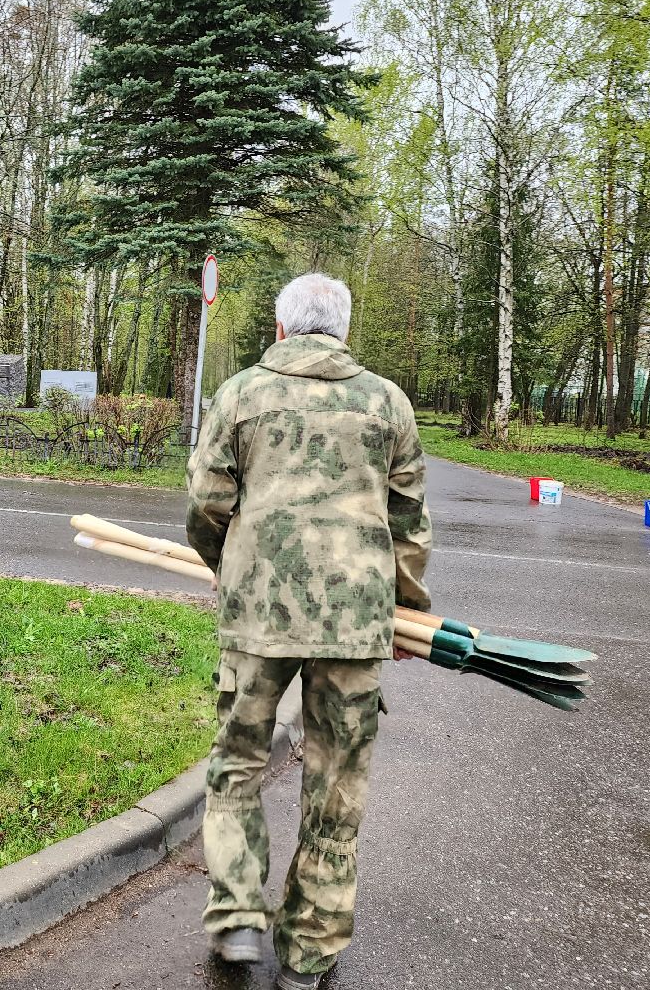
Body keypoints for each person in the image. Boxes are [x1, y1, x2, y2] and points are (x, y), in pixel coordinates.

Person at [185, 272, 433, 989]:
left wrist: (224, 566)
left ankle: (235, 914)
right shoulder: (388, 402)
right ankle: (308, 956)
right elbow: (408, 521)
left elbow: (207, 501)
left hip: (259, 614)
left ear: (283, 325)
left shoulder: (240, 394)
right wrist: (406, 609)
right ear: (344, 329)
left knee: (237, 763)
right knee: (337, 784)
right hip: (354, 622)